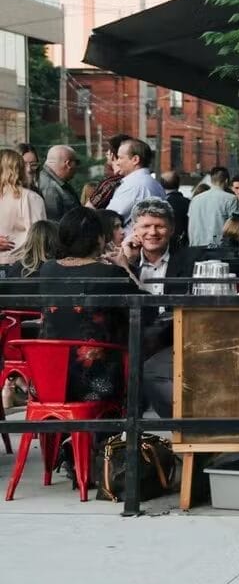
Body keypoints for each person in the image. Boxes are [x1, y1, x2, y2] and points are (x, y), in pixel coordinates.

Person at [37, 207, 140, 404]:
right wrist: (125, 267)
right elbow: (147, 308)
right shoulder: (108, 274)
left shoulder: (47, 269)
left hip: (49, 379)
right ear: (99, 238)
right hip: (95, 382)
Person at [121, 198, 196, 418]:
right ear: (134, 229)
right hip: (134, 336)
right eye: (145, 226)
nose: (152, 232)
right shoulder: (125, 261)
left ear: (171, 229)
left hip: (174, 336)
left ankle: (175, 425)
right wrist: (127, 263)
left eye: (159, 226)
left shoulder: (189, 260)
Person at [0, 148, 46, 266]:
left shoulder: (30, 197)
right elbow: (39, 238)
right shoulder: (30, 198)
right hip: (21, 268)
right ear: (19, 169)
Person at [107, 138, 166, 225]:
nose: (117, 163)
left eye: (120, 158)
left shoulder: (134, 185)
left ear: (135, 160)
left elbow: (109, 219)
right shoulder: (154, 184)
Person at [187, 166, 239, 247]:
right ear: (226, 181)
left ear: (211, 180)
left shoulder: (195, 199)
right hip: (219, 249)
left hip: (196, 248)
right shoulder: (231, 199)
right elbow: (235, 228)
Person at [87, 133, 132, 209]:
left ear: (111, 155)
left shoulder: (110, 183)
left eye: (108, 150)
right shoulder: (133, 178)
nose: (106, 153)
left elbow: (88, 210)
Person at [38, 145, 81, 221]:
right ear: (68, 164)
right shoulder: (50, 188)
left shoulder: (52, 183)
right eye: (77, 162)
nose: (77, 167)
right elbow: (54, 224)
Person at [160, 170, 190, 248]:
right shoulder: (189, 203)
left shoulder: (161, 204)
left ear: (161, 185)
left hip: (165, 245)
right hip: (185, 245)